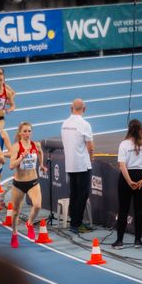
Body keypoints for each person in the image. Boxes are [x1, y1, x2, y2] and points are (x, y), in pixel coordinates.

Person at [111, 119, 142, 249]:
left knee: (123, 209)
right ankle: (137, 241)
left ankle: (119, 241)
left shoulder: (124, 144)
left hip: (127, 177)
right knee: (139, 209)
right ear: (141, 129)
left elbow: (122, 165)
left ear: (129, 129)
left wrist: (129, 181)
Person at [9, 122, 46, 248]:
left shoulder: (36, 144)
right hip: (19, 183)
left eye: (29, 131)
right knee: (15, 213)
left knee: (37, 205)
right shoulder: (16, 147)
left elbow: (40, 152)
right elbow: (11, 166)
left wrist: (41, 164)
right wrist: (22, 157)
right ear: (20, 133)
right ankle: (14, 233)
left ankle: (29, 224)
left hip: (33, 181)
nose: (27, 133)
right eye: (24, 131)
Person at [61, 98, 94, 234]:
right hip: (82, 165)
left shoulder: (64, 124)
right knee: (83, 194)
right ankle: (76, 223)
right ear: (84, 109)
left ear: (71, 108)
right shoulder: (85, 124)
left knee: (74, 194)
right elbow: (90, 146)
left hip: (70, 164)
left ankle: (74, 222)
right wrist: (91, 157)